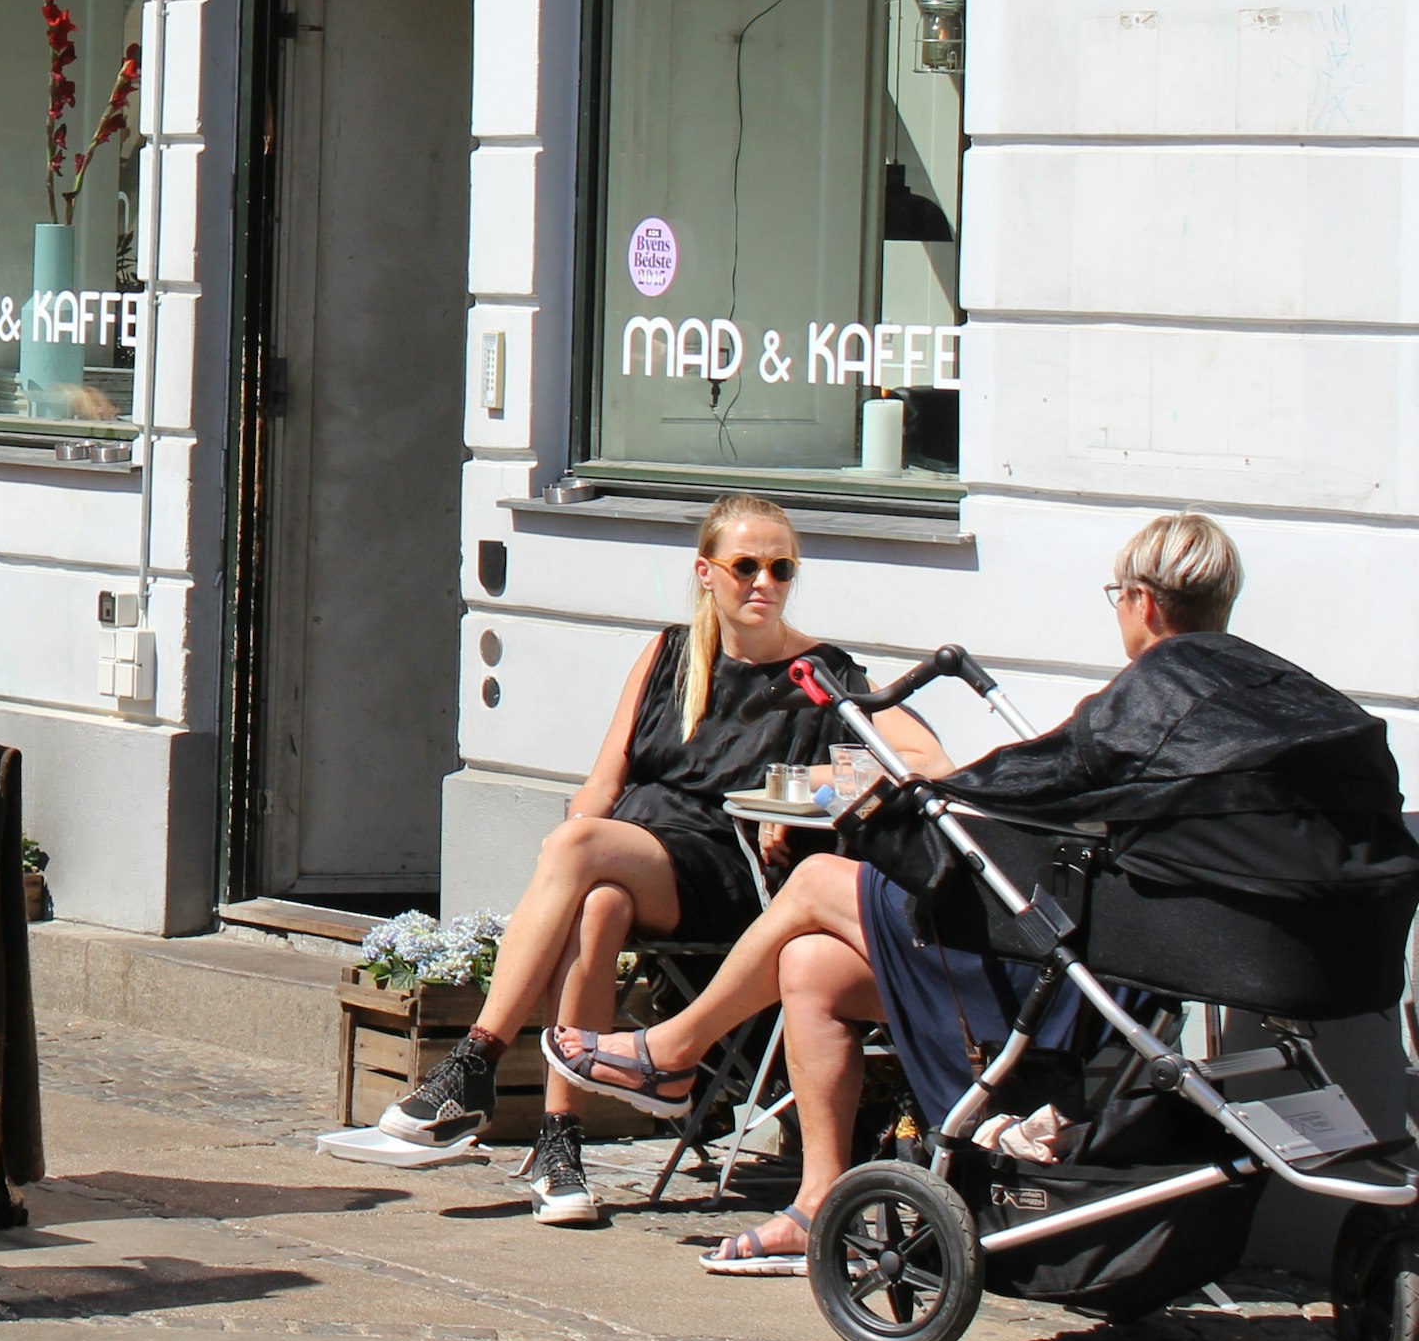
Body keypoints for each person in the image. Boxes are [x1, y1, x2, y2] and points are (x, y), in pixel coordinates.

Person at [549, 510, 1419, 1278]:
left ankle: (670, 1052)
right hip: (1197, 956)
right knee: (812, 965)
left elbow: (1019, 787)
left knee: (815, 881)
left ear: (1144, 604)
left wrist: (901, 808)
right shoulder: (1274, 697)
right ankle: (817, 1200)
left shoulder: (1149, 700)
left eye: (1117, 593)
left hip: (1082, 967)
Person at [374, 492, 934, 1231]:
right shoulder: (670, 654)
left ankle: (475, 1060)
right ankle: (559, 1147)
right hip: (635, 855)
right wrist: (568, 877)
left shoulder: (821, 673)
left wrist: (814, 782)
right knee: (595, 897)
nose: (763, 581)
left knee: (579, 849)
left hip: (724, 873)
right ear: (706, 572)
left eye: (780, 567)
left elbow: (923, 760)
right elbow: (604, 784)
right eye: (745, 566)